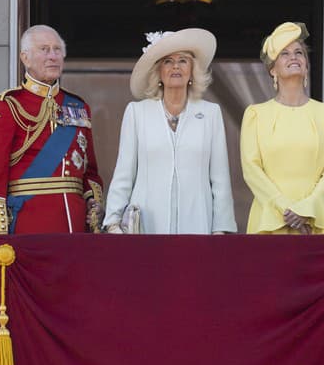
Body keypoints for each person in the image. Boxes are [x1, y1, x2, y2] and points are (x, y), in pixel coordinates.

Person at [101, 29, 236, 234]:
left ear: (192, 70)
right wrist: (113, 223)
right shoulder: (137, 112)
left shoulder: (210, 113)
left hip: (198, 225)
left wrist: (221, 230)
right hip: (146, 229)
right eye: (167, 61)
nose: (175, 66)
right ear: (158, 72)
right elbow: (124, 173)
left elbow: (220, 179)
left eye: (183, 60)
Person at [0, 24, 104, 234]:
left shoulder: (78, 107)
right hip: (29, 220)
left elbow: (89, 170)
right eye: (44, 50)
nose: (52, 56)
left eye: (57, 50)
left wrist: (93, 203)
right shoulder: (7, 105)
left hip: (76, 222)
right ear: (25, 58)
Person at [240, 22, 324, 235]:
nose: (293, 56)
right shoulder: (255, 114)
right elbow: (252, 169)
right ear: (272, 69)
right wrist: (286, 209)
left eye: (299, 52)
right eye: (284, 54)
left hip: (316, 220)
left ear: (306, 65)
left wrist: (307, 209)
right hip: (270, 220)